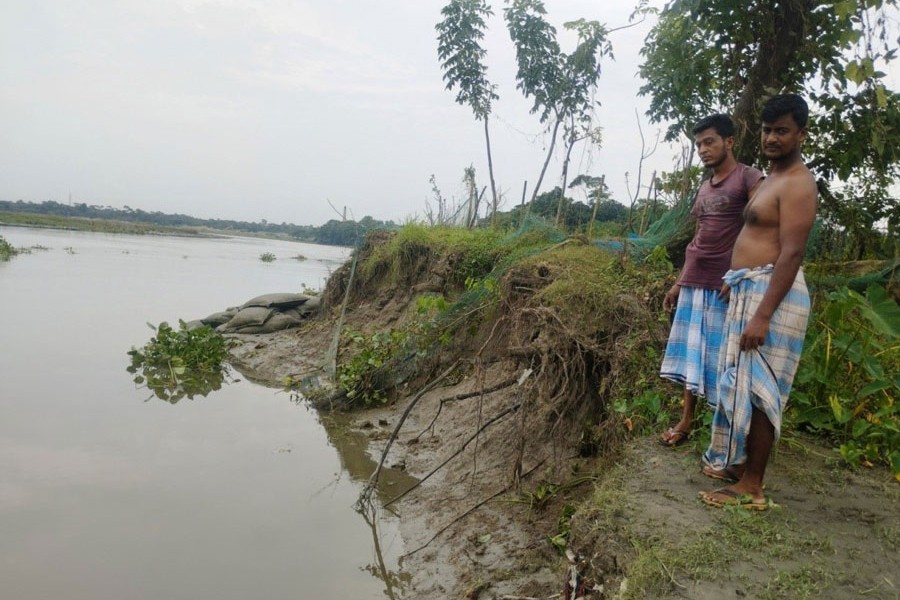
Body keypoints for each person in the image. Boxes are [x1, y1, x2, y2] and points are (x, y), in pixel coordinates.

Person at [699, 94, 817, 510]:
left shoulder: (798, 183)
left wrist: (763, 314)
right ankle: (739, 466)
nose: (772, 138)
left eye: (782, 131)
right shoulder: (769, 180)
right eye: (767, 130)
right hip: (749, 288)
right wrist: (735, 282)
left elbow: (792, 253)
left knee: (762, 390)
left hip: (775, 296)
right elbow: (755, 237)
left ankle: (753, 486)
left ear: (801, 135)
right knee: (741, 383)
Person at [658, 114, 764, 447]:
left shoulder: (749, 178)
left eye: (709, 142)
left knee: (725, 358)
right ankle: (687, 419)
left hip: (725, 285)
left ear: (728, 142)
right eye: (698, 145)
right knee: (694, 354)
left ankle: (727, 431)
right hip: (695, 282)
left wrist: (739, 273)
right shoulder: (704, 187)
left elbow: (761, 226)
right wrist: (680, 281)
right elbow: (699, 237)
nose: (703, 150)